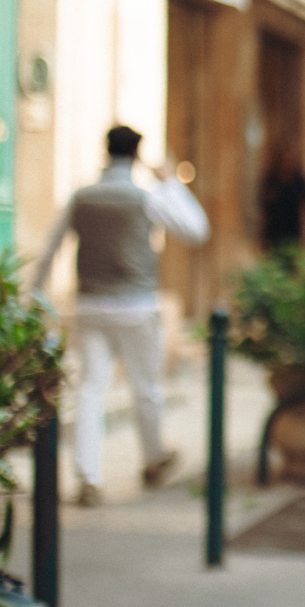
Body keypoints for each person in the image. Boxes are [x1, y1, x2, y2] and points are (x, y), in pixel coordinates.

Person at [31, 125, 210, 507]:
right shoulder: (146, 197)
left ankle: (88, 477)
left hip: (91, 305)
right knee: (146, 386)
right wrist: (171, 183)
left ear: (105, 151)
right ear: (137, 155)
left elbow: (49, 250)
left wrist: (33, 297)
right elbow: (196, 230)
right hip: (137, 306)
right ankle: (153, 458)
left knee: (91, 389)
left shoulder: (81, 197)